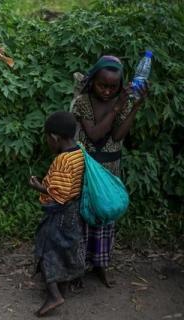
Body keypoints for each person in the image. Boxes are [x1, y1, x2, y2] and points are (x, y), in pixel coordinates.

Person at [71, 55, 149, 287]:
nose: (106, 91)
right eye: (102, 85)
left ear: (119, 86)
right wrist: (116, 107)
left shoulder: (122, 102)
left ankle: (101, 265)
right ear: (93, 81)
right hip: (87, 168)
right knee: (82, 217)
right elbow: (94, 134)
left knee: (105, 218)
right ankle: (78, 268)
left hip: (111, 169)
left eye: (112, 87)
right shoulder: (83, 102)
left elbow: (117, 136)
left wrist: (134, 105)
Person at [29, 111, 86, 317]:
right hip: (74, 211)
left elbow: (59, 194)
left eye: (47, 139)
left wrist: (38, 187)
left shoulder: (62, 160)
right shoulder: (80, 152)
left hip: (60, 213)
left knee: (46, 251)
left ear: (54, 138)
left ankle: (54, 295)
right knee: (66, 247)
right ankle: (64, 287)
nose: (48, 143)